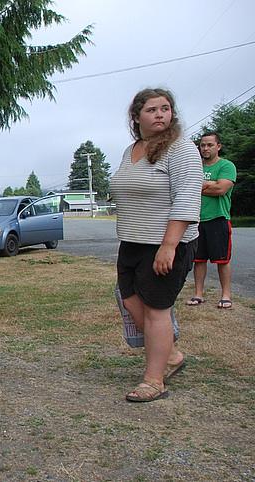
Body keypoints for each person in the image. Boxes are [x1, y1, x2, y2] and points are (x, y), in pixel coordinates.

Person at [110, 88, 202, 402]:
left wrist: (169, 245)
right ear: (136, 118)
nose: (160, 114)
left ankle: (154, 380)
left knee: (156, 311)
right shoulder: (131, 150)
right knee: (132, 303)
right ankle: (171, 355)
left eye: (165, 108)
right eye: (151, 110)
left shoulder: (181, 149)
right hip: (132, 243)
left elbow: (187, 199)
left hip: (165, 244)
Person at [187, 132, 237, 309]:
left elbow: (221, 189)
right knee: (198, 260)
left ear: (218, 146)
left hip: (219, 218)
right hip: (196, 220)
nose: (205, 148)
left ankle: (226, 295)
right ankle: (198, 294)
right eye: (202, 145)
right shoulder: (195, 166)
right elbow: (185, 187)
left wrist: (198, 187)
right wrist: (210, 184)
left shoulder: (226, 166)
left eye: (209, 145)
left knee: (222, 260)